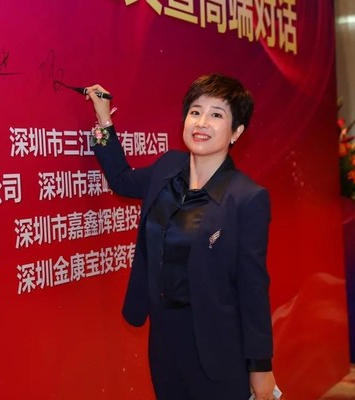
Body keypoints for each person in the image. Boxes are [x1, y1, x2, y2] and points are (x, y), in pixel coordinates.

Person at [84, 73, 277, 400]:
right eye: (195, 111)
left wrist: (260, 366)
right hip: (164, 343)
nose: (202, 122)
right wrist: (104, 121)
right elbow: (122, 180)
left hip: (218, 350)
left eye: (217, 114)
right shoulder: (168, 168)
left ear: (237, 132)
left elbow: (253, 287)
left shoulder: (247, 197)